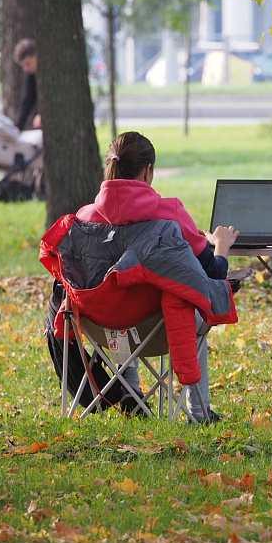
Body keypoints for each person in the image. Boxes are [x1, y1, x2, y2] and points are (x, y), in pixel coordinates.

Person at [74, 131, 239, 422]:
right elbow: (211, 273)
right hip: (161, 328)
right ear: (149, 170)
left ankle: (131, 395)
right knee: (190, 298)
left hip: (100, 326)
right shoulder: (170, 213)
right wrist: (221, 245)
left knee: (120, 298)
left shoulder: (84, 218)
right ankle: (198, 410)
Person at [13, 38, 40, 130]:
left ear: (37, 56)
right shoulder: (30, 74)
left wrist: (42, 114)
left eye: (28, 63)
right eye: (23, 65)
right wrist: (18, 126)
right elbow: (28, 100)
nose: (26, 68)